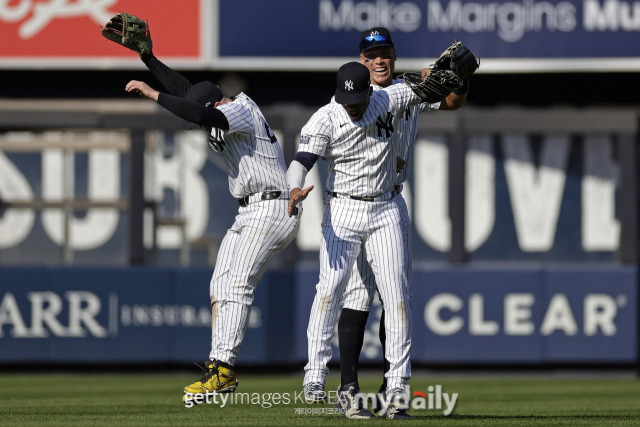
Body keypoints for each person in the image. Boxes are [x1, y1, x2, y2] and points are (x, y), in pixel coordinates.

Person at [301, 28, 473, 418]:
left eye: (385, 53)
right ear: (361, 61)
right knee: (355, 296)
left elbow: (451, 102)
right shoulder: (353, 99)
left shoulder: (408, 90)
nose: (379, 60)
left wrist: (459, 81)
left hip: (390, 200)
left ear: (394, 55)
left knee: (395, 296)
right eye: (371, 54)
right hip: (350, 203)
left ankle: (391, 388)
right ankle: (347, 385)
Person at [121, 43, 301, 399]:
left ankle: (223, 370)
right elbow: (189, 93)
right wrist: (149, 59)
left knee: (236, 286)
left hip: (272, 206)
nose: (198, 128)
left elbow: (202, 112)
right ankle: (219, 368)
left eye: (198, 119)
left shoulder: (240, 110)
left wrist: (152, 94)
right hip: (250, 210)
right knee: (220, 286)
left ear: (215, 104)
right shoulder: (214, 102)